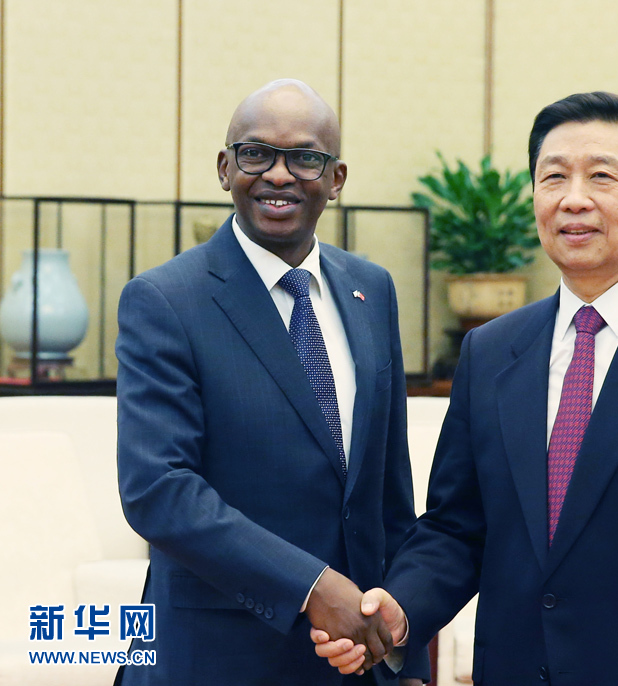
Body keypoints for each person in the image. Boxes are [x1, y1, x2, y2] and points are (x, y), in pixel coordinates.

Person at [312, 91, 618, 686]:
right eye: (554, 177)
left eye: (602, 176)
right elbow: (457, 527)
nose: (574, 199)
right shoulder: (491, 351)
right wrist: (403, 609)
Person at [115, 79, 427, 685]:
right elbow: (159, 490)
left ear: (336, 179)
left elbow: (389, 493)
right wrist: (312, 587)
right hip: (214, 659)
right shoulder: (164, 299)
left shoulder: (373, 290)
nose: (278, 175)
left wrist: (404, 659)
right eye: (256, 154)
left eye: (305, 158)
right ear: (224, 168)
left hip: (352, 663)